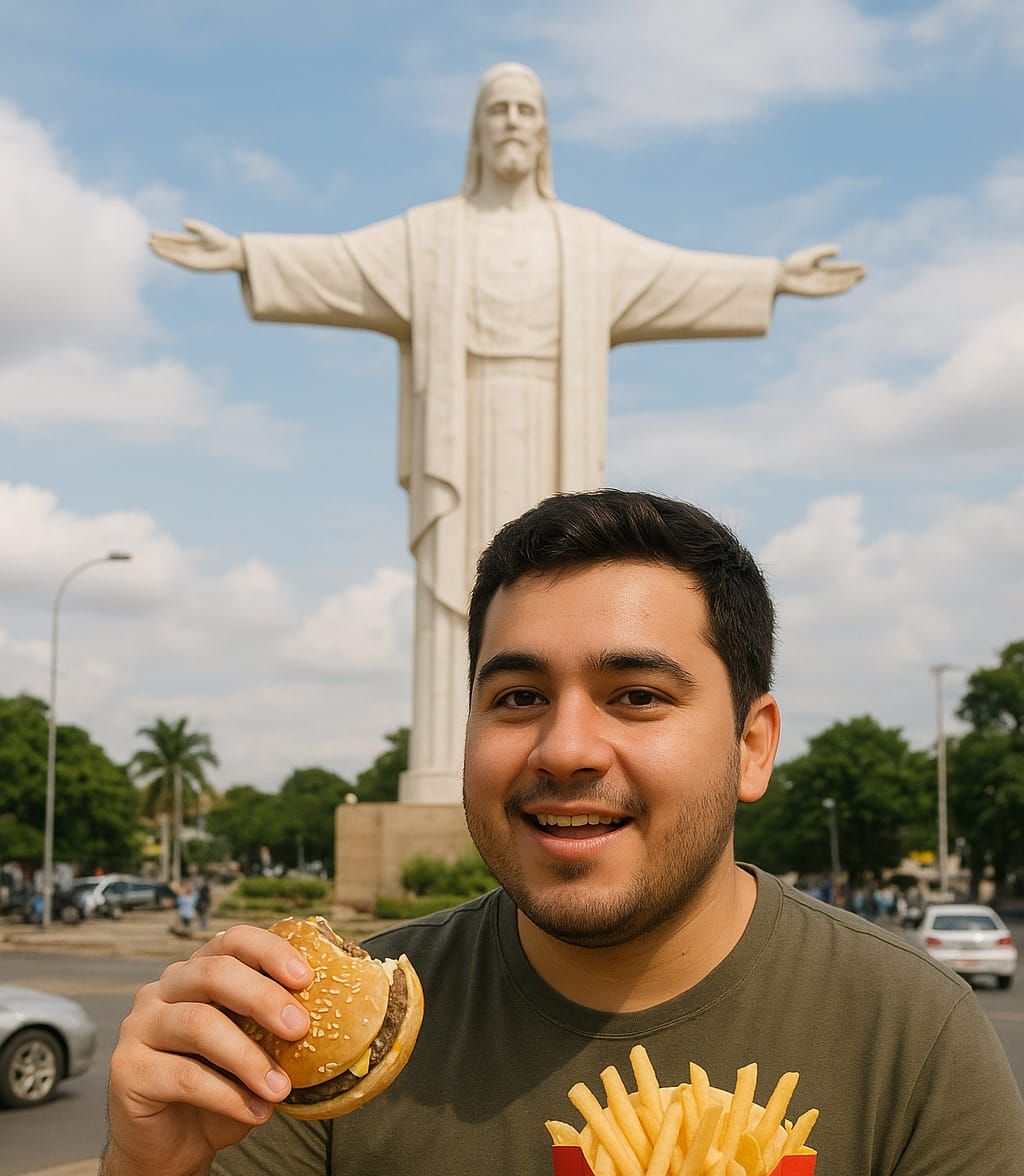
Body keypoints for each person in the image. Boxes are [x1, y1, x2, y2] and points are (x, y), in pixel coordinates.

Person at [69, 490, 1024, 1176]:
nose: (565, 747)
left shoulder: (901, 1021)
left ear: (752, 747)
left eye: (637, 697)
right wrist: (150, 1172)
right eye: (517, 696)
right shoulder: (346, 1013)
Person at [149, 63, 864, 804]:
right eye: (500, 111)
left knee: (567, 594)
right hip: (462, 432)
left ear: (544, 131)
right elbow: (343, 265)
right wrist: (245, 255)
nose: (514, 122)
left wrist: (773, 277)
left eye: (528, 110)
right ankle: (445, 768)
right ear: (478, 131)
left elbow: (677, 277)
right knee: (460, 598)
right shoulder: (432, 236)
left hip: (552, 424)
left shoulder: (584, 242)